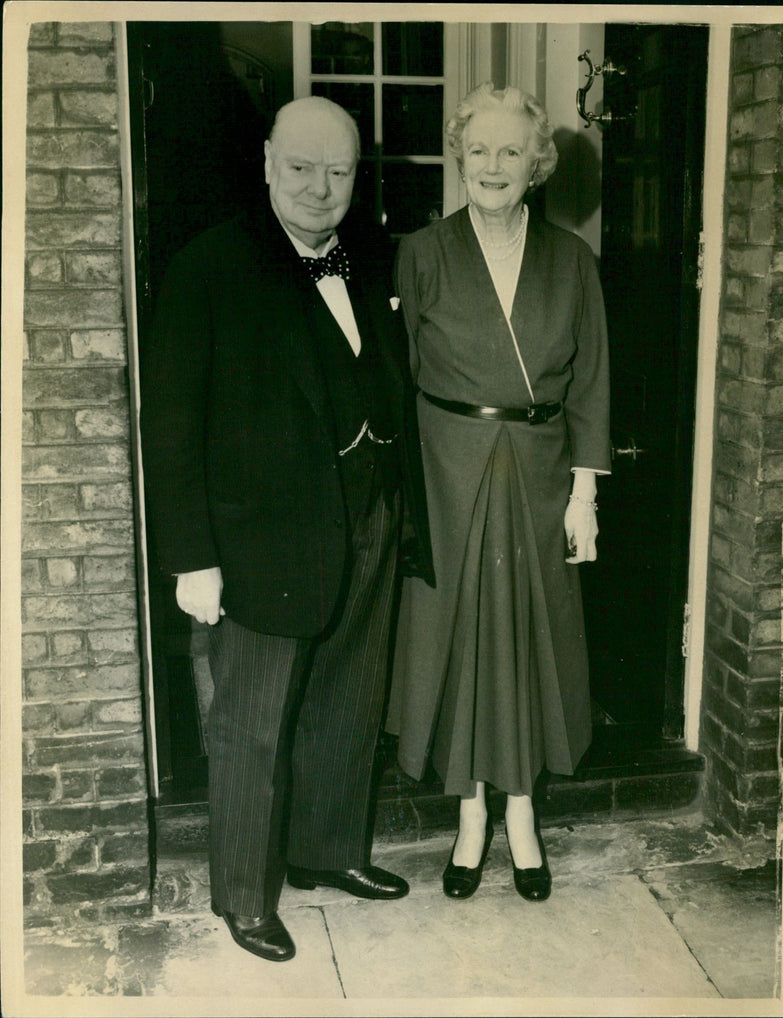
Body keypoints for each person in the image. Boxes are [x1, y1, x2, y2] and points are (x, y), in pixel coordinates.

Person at [140, 96, 434, 962]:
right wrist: (192, 559)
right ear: (268, 162)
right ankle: (243, 893)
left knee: (349, 699)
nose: (318, 188)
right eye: (301, 168)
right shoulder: (208, 266)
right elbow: (172, 427)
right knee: (252, 724)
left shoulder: (369, 254)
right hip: (260, 541)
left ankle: (327, 851)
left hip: (369, 517)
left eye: (338, 172)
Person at [386, 83, 610, 903]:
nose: (492, 165)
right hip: (447, 471)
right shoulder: (421, 252)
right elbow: (400, 378)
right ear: (459, 156)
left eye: (511, 151)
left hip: (542, 473)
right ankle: (470, 813)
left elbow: (591, 385)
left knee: (527, 642)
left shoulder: (573, 261)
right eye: (477, 149)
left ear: (537, 164)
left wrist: (583, 496)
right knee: (459, 641)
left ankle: (522, 812)